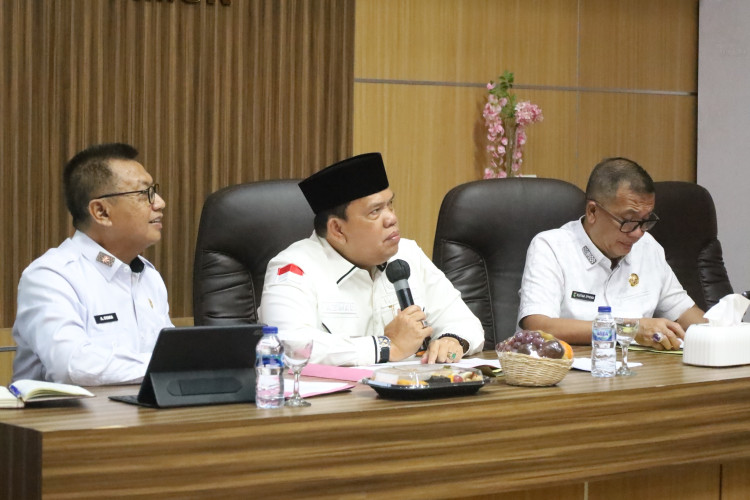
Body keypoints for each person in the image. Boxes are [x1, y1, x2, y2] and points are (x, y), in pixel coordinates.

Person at [259, 152, 484, 366]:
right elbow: (287, 344)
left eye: (390, 205)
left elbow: (466, 323)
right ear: (337, 229)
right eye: (375, 211)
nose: (392, 218)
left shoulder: (408, 253)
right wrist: (385, 347)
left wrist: (452, 340)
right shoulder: (294, 267)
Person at [12, 143, 173, 385]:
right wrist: (167, 366)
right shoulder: (51, 276)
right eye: (144, 193)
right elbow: (71, 367)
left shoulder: (148, 275)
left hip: (141, 407)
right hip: (67, 410)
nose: (159, 203)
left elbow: (171, 355)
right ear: (101, 212)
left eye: (154, 191)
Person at [518, 157, 706, 350]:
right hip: (570, 366)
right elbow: (538, 327)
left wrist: (718, 332)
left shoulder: (648, 247)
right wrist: (628, 329)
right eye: (629, 221)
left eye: (645, 221)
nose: (638, 233)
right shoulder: (552, 247)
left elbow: (685, 313)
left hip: (640, 367)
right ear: (592, 211)